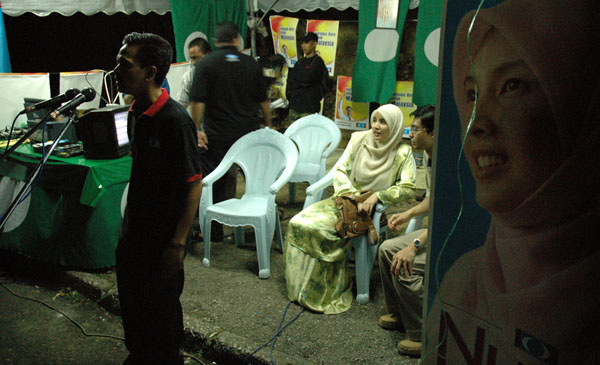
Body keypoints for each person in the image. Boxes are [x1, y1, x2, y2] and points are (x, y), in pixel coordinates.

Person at [425, 1, 600, 363]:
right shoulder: (464, 283)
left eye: (512, 86)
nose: (477, 123)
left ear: (578, 104)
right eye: (472, 94)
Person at [113, 32, 202, 364]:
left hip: (161, 242)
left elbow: (194, 185)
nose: (117, 70)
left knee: (162, 322)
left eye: (125, 64)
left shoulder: (176, 121)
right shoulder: (135, 112)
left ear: (150, 72)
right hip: (133, 236)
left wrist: (177, 245)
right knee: (134, 314)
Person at [284, 104, 416, 314]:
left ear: (395, 126)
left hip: (370, 209)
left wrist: (378, 195)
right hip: (344, 201)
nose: (377, 126)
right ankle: (301, 288)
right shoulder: (358, 140)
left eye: (383, 122)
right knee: (298, 223)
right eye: (375, 120)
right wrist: (351, 194)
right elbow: (341, 171)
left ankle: (323, 290)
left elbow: (407, 187)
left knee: (322, 230)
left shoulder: (402, 152)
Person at [189, 21, 271, 241]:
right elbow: (264, 101)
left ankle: (215, 230)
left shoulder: (206, 64)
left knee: (214, 181)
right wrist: (269, 126)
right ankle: (262, 224)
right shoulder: (251, 64)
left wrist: (197, 130)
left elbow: (197, 102)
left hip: (218, 137)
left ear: (216, 42)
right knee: (257, 180)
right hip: (249, 136)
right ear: (236, 40)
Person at [377, 105, 434, 357]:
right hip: (432, 230)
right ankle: (401, 313)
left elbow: (446, 214)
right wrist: (408, 213)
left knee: (403, 260)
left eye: (417, 130)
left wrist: (415, 246)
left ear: (432, 133)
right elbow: (433, 199)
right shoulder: (430, 156)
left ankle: (424, 334)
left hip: (443, 235)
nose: (411, 134)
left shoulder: (447, 161)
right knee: (386, 249)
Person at [283, 32, 328, 128]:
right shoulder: (299, 62)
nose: (303, 45)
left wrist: (299, 81)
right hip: (294, 107)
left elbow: (307, 78)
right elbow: (290, 81)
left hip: (309, 108)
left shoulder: (318, 62)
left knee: (306, 137)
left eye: (307, 42)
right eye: (302, 43)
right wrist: (292, 97)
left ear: (314, 43)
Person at [176, 37, 211, 109]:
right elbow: (181, 106)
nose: (193, 62)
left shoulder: (221, 71)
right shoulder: (189, 76)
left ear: (208, 54)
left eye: (196, 58)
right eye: (191, 58)